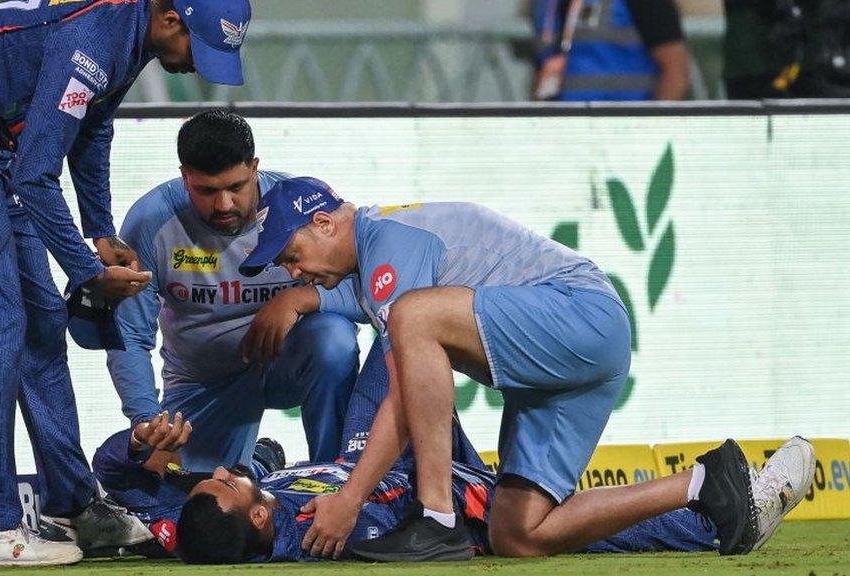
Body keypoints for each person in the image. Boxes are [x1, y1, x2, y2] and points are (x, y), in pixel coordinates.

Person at [237, 177, 817, 561]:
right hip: (573, 360)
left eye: (292, 256)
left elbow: (402, 393)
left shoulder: (389, 243)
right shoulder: (375, 257)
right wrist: (299, 300)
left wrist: (352, 498)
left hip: (582, 316)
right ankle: (705, 484)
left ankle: (438, 517)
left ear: (327, 224)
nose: (294, 271)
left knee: (412, 321)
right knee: (518, 533)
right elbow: (368, 309)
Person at [0, 0, 252, 566]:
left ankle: (73, 506)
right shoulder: (95, 41)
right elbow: (38, 175)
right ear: (170, 21)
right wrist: (88, 273)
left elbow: (93, 128)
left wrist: (100, 230)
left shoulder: (129, 36)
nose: (199, 66)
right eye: (199, 48)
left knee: (43, 328)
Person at [91, 340, 811, 564]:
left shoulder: (198, 521)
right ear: (255, 523)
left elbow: (114, 476)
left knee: (405, 332)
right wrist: (416, 462)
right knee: (587, 528)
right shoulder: (321, 537)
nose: (217, 472)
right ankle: (736, 499)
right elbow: (409, 518)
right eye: (229, 486)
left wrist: (138, 444)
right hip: (437, 485)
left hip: (367, 451)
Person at [104, 109, 359, 472]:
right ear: (184, 177)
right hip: (203, 382)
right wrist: (145, 417)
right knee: (191, 498)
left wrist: (298, 298)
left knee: (334, 338)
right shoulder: (150, 221)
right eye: (206, 191)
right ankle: (259, 466)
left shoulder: (301, 207)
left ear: (255, 168)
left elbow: (364, 293)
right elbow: (129, 332)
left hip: (287, 364)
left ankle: (332, 477)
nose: (223, 204)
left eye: (236, 187)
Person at [530, 0, 689, 101]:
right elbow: (543, 67)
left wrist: (652, 134)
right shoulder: (545, 5)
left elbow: (676, 71)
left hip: (626, 134)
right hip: (565, 135)